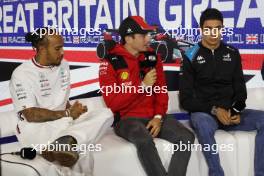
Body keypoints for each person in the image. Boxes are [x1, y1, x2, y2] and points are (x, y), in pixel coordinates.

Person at [99, 16, 194, 176]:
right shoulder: (110, 62)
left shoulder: (152, 57)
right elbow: (113, 104)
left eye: (148, 34)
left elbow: (161, 92)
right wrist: (142, 86)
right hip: (127, 120)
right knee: (144, 140)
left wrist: (158, 117)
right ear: (129, 38)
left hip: (154, 116)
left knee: (186, 137)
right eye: (143, 35)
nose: (148, 38)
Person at [9, 27, 113, 168]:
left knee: (106, 114)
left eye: (62, 47)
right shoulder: (22, 73)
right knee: (82, 153)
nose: (62, 52)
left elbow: (60, 101)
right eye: (57, 48)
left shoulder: (63, 65)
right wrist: (67, 114)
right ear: (42, 48)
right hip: (36, 128)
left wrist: (74, 110)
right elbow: (30, 115)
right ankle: (65, 142)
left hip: (62, 122)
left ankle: (66, 141)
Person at [179, 8, 264, 176]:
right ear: (201, 30)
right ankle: (217, 173)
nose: (213, 33)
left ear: (222, 29)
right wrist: (215, 110)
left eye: (217, 28)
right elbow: (186, 100)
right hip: (206, 114)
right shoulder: (190, 55)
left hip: (230, 114)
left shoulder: (232, 53)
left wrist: (236, 110)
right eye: (208, 28)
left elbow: (241, 92)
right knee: (202, 123)